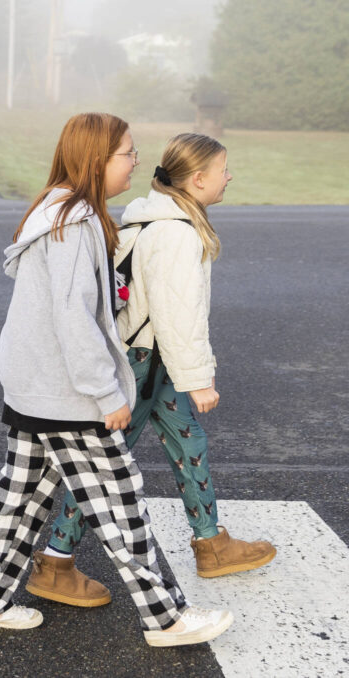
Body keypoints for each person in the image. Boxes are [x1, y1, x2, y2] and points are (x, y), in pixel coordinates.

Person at [0, 114, 234, 647]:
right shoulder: (74, 223)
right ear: (97, 159)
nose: (135, 161)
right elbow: (73, 317)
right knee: (121, 501)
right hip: (65, 392)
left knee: (19, 500)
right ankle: (167, 619)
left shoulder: (61, 209)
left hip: (38, 384)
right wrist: (107, 391)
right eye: (126, 152)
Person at [27, 133, 275, 607]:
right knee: (106, 464)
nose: (229, 177)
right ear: (198, 180)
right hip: (143, 360)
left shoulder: (152, 218)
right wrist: (198, 379)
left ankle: (211, 543)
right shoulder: (177, 233)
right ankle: (56, 561)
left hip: (154, 358)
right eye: (224, 169)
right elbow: (177, 313)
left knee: (189, 441)